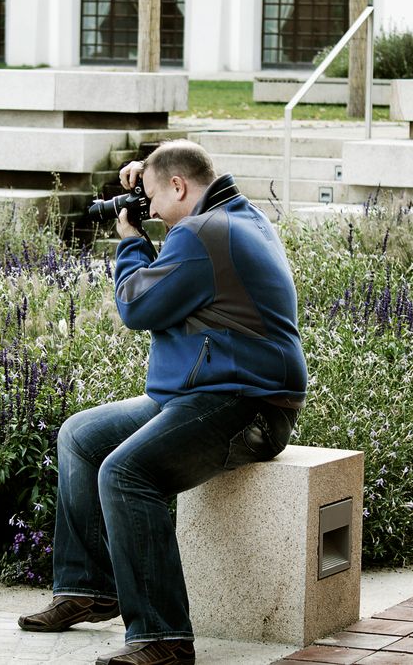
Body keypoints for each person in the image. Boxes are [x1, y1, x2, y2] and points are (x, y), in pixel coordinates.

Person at [17, 140, 307, 665]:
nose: (144, 210)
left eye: (150, 196)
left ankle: (163, 639)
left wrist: (129, 240)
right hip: (201, 396)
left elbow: (137, 304)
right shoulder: (235, 218)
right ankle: (88, 588)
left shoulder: (203, 234)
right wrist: (150, 172)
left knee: (126, 473)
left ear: (179, 187)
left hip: (246, 406)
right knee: (79, 437)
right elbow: (180, 191)